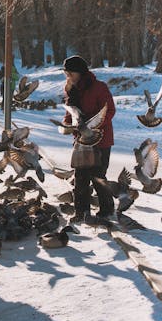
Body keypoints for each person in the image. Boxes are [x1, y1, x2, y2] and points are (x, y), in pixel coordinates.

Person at [62, 55, 116, 223]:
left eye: (70, 73)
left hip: (101, 140)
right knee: (80, 178)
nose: (67, 76)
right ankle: (82, 212)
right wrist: (66, 124)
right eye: (66, 73)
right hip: (82, 143)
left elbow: (110, 111)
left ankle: (107, 211)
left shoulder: (99, 87)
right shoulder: (71, 89)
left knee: (98, 176)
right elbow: (71, 111)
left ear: (79, 72)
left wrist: (92, 126)